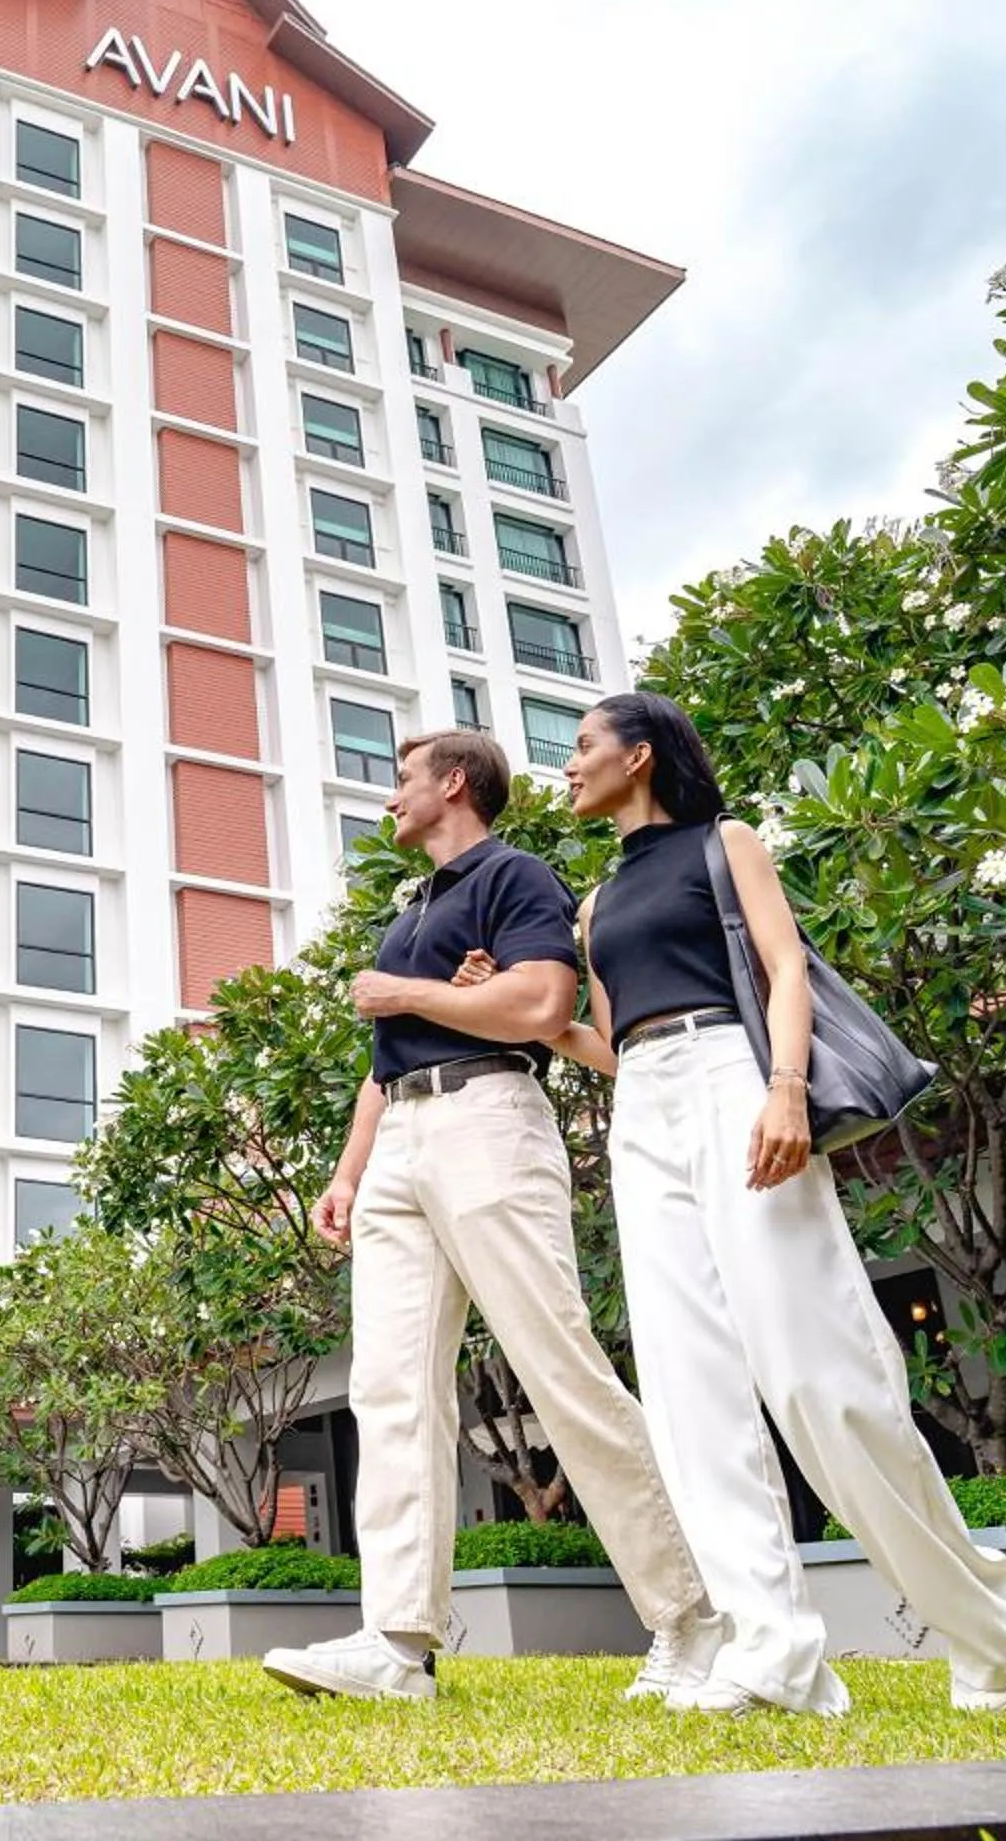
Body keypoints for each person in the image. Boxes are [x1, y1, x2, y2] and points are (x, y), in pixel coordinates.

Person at [456, 691, 1006, 1716]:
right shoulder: (593, 906)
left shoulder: (726, 843)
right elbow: (603, 1040)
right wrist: (521, 1009)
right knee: (689, 1392)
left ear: (641, 755)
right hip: (643, 1108)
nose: (571, 765)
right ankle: (776, 1648)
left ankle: (986, 1624)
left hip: (737, 1077)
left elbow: (781, 970)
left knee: (821, 1375)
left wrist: (783, 1091)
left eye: (585, 746)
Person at [259, 730, 722, 1704]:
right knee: (389, 1389)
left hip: (490, 1121)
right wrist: (347, 1173)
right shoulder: (415, 906)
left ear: (454, 784)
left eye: (402, 778)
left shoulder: (516, 875)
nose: (391, 798)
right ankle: (398, 1643)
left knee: (557, 1366)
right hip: (402, 1144)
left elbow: (545, 1000)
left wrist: (411, 991)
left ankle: (693, 1617)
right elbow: (388, 1057)